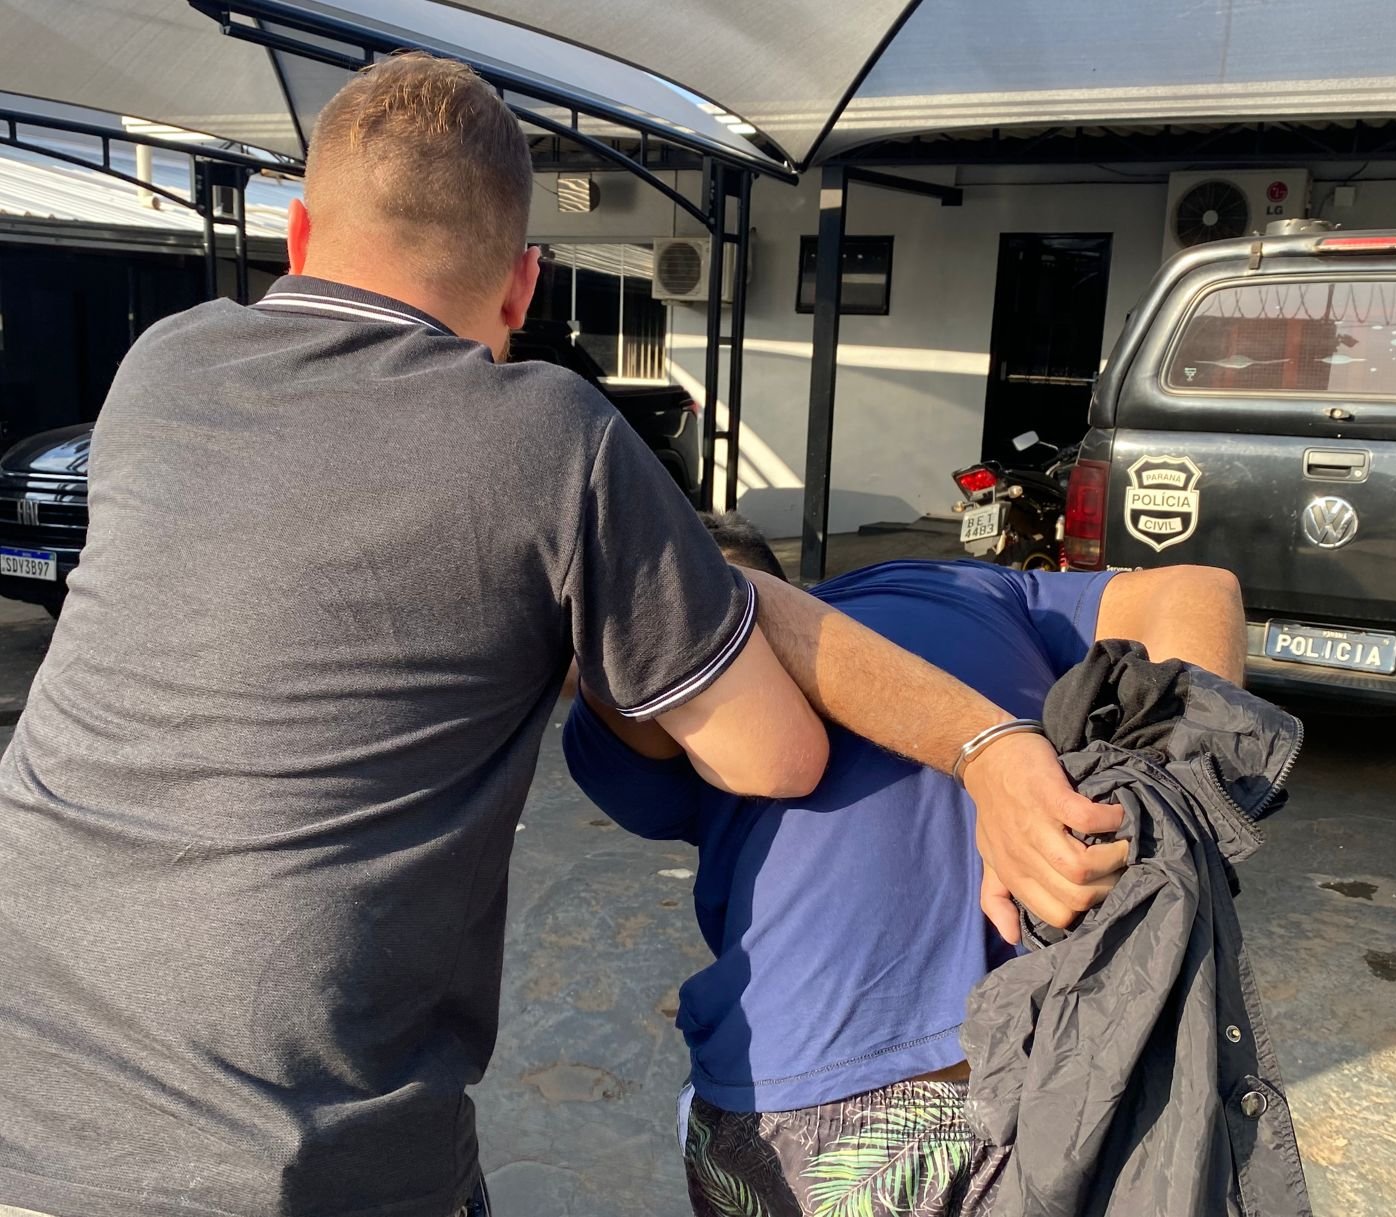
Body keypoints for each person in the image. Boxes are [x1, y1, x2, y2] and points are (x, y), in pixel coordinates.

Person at [0, 56, 1124, 1217]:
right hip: (287, 1150)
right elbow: (772, 754)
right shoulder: (548, 434)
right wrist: (980, 740)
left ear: (296, 236)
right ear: (523, 285)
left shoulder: (162, 363)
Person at [564, 515, 1245, 1217]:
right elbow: (658, 636)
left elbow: (1199, 590)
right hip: (939, 1077)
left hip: (997, 1067)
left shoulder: (949, 583)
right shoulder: (954, 588)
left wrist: (1138, 806)